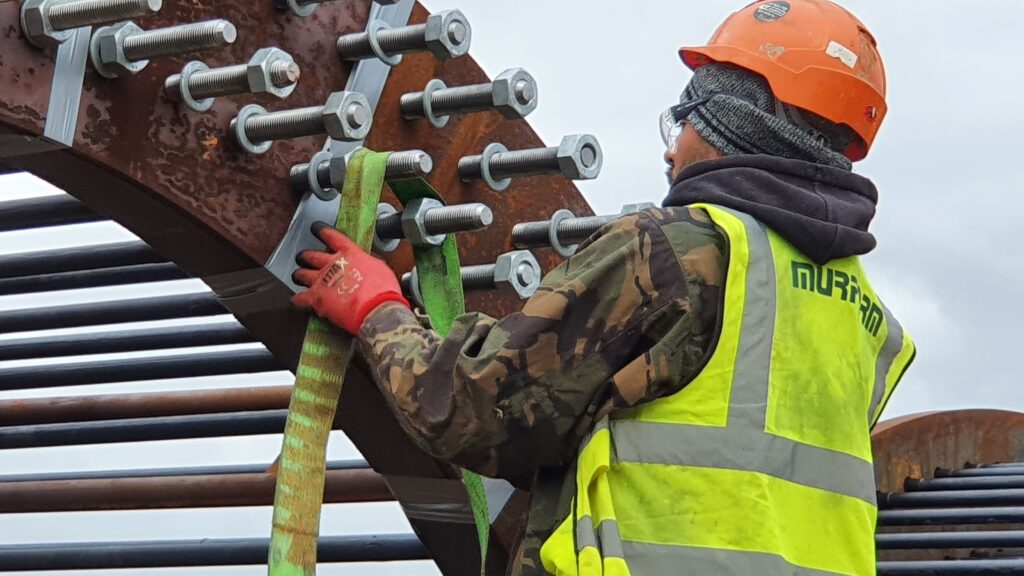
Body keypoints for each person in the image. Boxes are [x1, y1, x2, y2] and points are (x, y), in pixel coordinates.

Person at [291, 0, 917, 574]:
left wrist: (376, 309)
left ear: (729, 124)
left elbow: (477, 410)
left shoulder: (676, 251)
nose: (671, 157)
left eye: (684, 123)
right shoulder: (869, 322)